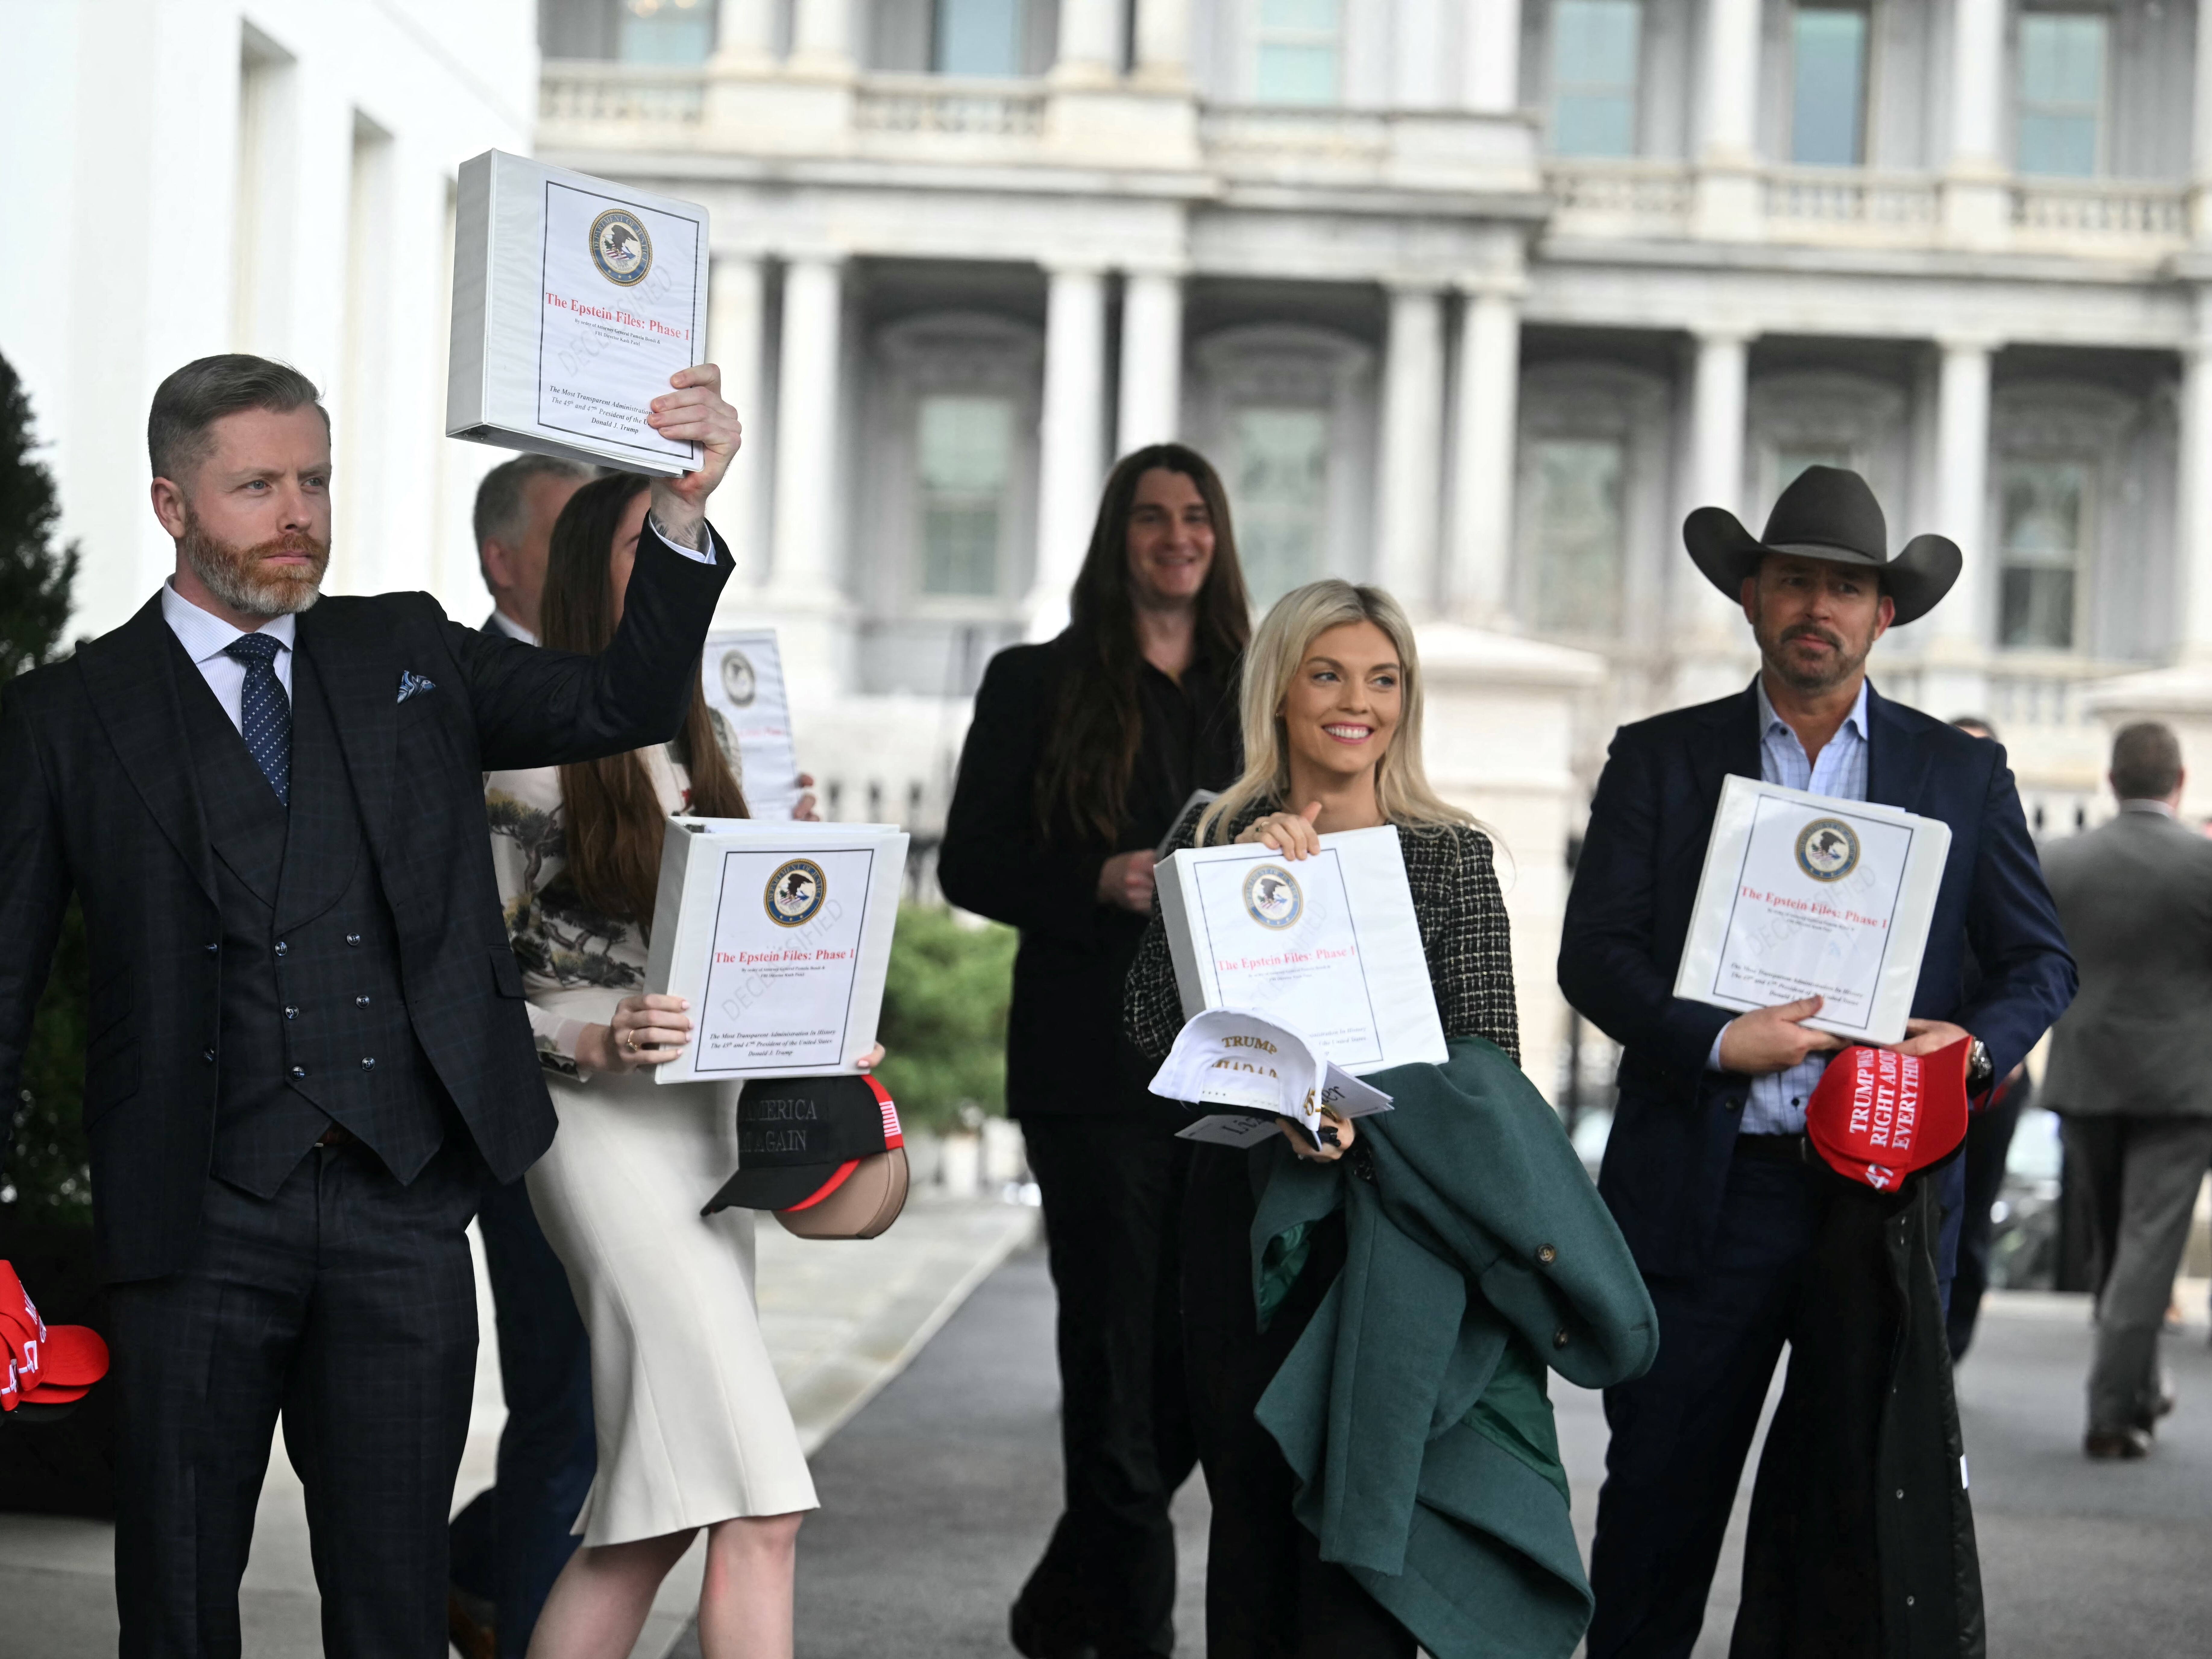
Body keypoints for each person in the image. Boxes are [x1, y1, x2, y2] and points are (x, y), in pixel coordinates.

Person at [0, 352, 739, 1655]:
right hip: (192, 1214)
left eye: (317, 480)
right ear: (171, 503)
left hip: (402, 1205)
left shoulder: (406, 650)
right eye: (258, 486)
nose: (299, 514)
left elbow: (619, 697)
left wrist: (680, 513)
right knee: (176, 1602)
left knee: (395, 1605)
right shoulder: (68, 714)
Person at [1558, 465, 2076, 1658]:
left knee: (1845, 1533)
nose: (1816, 608)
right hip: (1705, 1193)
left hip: (1874, 1203)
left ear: (1881, 614)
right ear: (1750, 596)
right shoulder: (1658, 756)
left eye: (1843, 588)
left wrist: (1970, 1045)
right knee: (1654, 1512)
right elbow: (1593, 956)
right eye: (1792, 580)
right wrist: (1712, 1037)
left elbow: (2037, 961)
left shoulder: (1957, 772)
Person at [487, 471, 860, 1659]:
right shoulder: (516, 750)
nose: (669, 574)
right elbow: (461, 995)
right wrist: (588, 1036)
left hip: (702, 1122)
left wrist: (817, 992)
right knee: (758, 1504)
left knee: (653, 1515)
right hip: (594, 1125)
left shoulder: (705, 737)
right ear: (592, 578)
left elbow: (739, 951)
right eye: (642, 550)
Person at [1124, 579, 1522, 1658]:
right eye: (1329, 675)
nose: (1358, 702)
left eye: (1383, 680)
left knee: (1366, 1541)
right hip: (1244, 1221)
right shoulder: (1211, 831)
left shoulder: (1448, 853)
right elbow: (1148, 1025)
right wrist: (1238, 884)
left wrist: (1353, 1115)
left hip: (1392, 1235)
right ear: (1280, 690)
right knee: (1253, 1528)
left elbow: (1489, 1060)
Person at [939, 444, 1248, 1659]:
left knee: (1192, 1366)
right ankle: (1130, 1632)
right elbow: (967, 863)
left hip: (1228, 1063)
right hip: (1091, 1072)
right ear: (1116, 536)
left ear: (1218, 538)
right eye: (1151, 517)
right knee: (1114, 1356)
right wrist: (1096, 878)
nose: (1176, 537)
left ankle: (1067, 1595)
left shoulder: (1253, 686)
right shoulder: (1036, 681)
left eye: (1195, 516)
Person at [447, 451, 600, 1659]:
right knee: (568, 1394)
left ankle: (474, 1572)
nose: (601, 563)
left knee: (597, 1396)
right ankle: (510, 1605)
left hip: (631, 1094)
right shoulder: (458, 695)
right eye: (572, 539)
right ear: (503, 562)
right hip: (524, 1093)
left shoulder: (618, 686)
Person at [2039, 721, 2212, 1459]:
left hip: (2085, 1076)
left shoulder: (2058, 859)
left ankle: (2139, 1391)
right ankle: (2112, 1413)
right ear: (2180, 783)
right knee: (2145, 1248)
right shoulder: (2204, 866)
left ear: (2110, 783)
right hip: (2182, 1086)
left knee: (2114, 1240)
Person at [1944, 715, 2038, 1365]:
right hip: (1904, 1069)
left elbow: (2036, 966)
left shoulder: (2015, 854)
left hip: (1991, 1075)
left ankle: (1948, 1357)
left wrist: (2000, 1051)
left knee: (1970, 1217)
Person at [476, 453, 596, 644]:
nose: (595, 560)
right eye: (571, 542)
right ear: (501, 562)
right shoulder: (473, 663)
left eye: (599, 541)